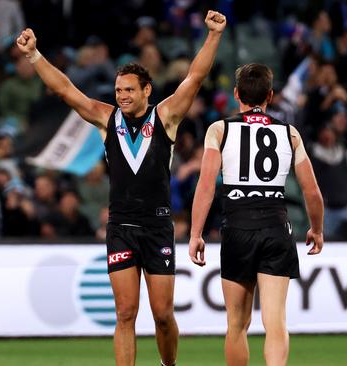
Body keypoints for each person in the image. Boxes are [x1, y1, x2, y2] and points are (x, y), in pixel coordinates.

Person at [17, 10, 226, 366]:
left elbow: (194, 77)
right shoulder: (106, 118)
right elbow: (65, 89)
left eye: (129, 90)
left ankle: (168, 364)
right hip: (121, 227)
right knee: (125, 313)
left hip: (158, 226)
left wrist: (214, 35)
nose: (122, 96)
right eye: (118, 90)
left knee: (162, 315)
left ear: (147, 89)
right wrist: (35, 55)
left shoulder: (166, 116)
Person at [188, 63, 324, 366]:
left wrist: (196, 233)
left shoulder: (219, 130)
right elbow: (312, 191)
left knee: (237, 325)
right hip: (276, 226)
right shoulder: (290, 134)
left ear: (236, 93)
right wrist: (316, 229)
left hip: (238, 226)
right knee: (276, 324)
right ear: (271, 96)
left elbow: (206, 185)